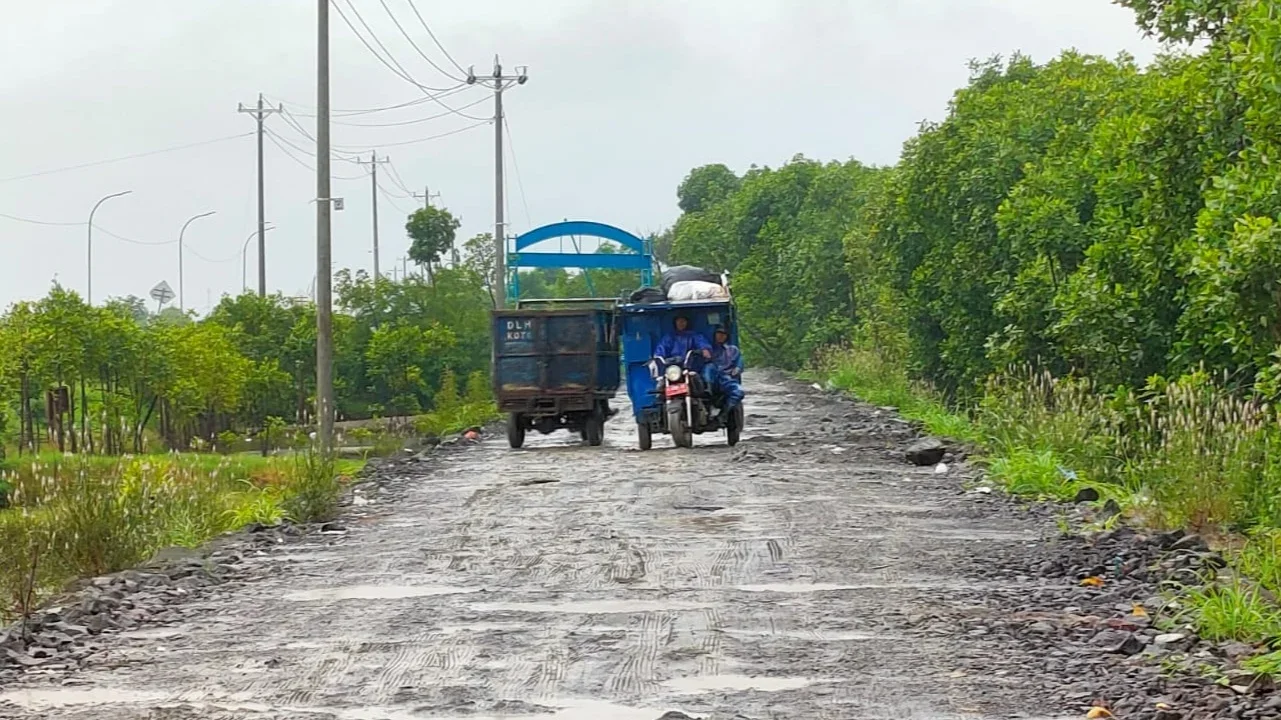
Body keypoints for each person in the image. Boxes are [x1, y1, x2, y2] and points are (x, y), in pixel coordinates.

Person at [705, 325, 745, 413]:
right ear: (714, 335)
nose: (721, 336)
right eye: (719, 333)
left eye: (724, 334)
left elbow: (740, 362)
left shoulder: (733, 350)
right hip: (712, 379)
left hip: (726, 378)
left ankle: (723, 414)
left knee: (738, 392)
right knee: (709, 367)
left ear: (727, 336)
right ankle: (709, 392)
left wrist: (737, 368)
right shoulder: (708, 349)